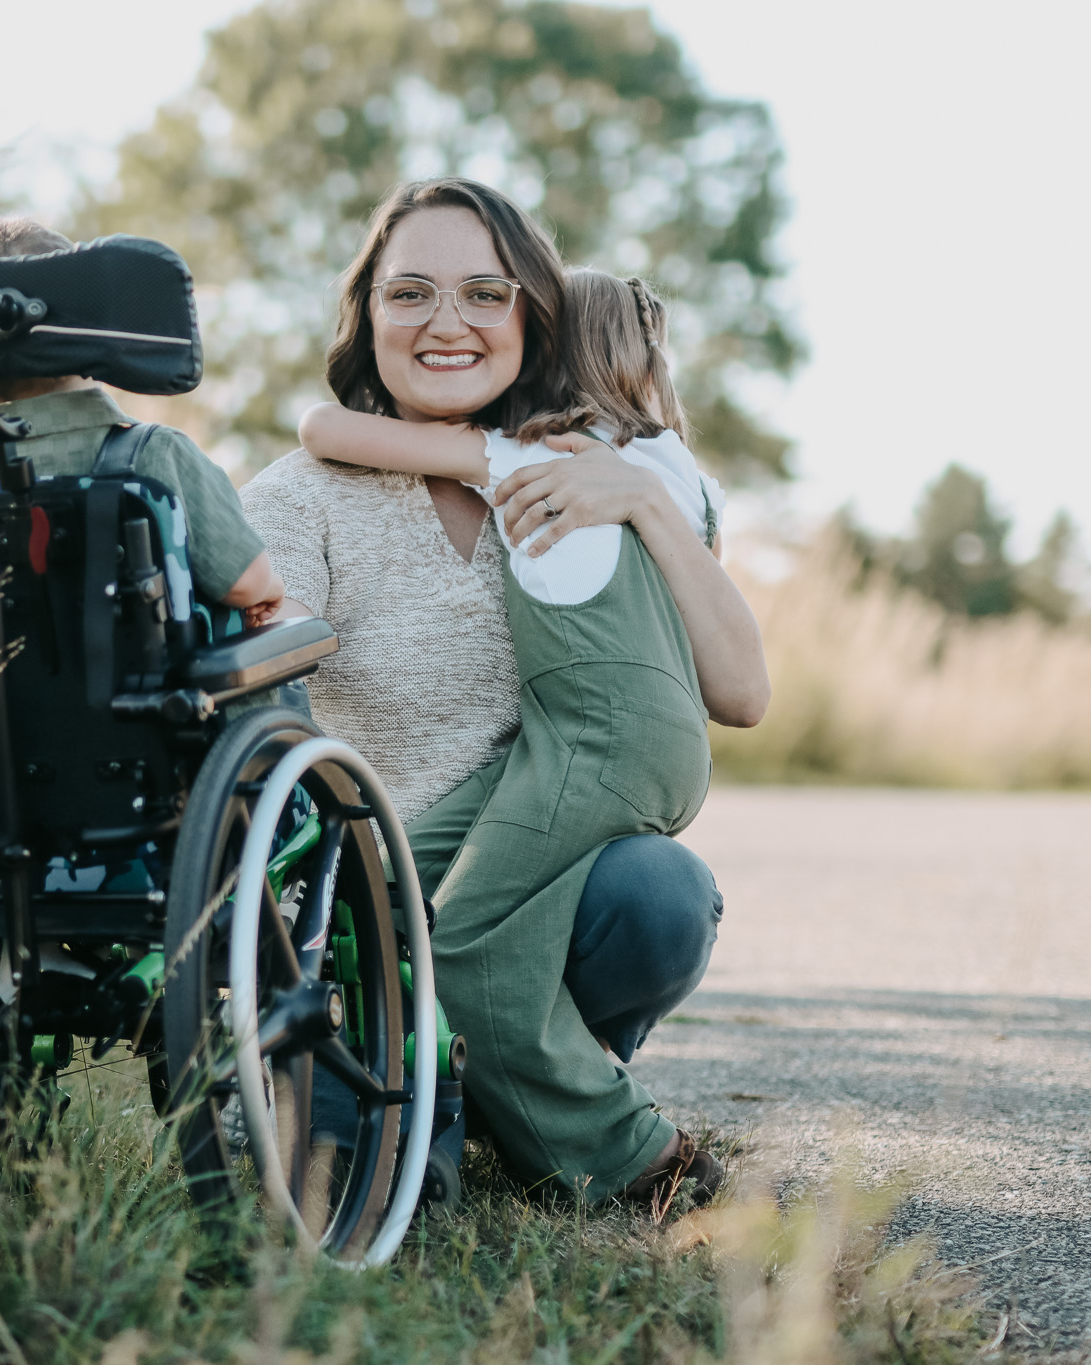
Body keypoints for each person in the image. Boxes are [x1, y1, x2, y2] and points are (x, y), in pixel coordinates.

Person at [244, 179, 767, 1207]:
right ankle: (479, 1095)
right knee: (355, 1174)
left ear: (533, 317)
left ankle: (559, 1108)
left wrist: (645, 511)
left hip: (551, 883)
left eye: (485, 294)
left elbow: (741, 694)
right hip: (368, 928)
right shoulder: (296, 500)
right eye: (410, 295)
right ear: (367, 317)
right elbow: (260, 703)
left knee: (654, 893)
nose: (447, 324)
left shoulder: (590, 478)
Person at [0, 217, 283, 645]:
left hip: (12, 711)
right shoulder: (156, 454)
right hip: (164, 707)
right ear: (87, 329)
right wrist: (270, 593)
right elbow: (246, 583)